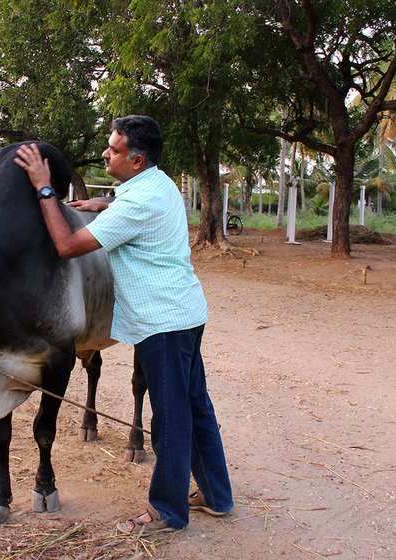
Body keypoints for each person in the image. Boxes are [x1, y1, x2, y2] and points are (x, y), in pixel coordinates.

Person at [14, 116, 233, 535]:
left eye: (113, 150)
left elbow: (67, 246)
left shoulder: (138, 201)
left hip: (162, 322)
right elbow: (134, 209)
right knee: (196, 406)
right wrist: (101, 205)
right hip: (185, 311)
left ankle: (167, 512)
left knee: (170, 418)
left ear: (135, 160)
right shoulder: (157, 183)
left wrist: (45, 188)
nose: (104, 153)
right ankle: (217, 496)